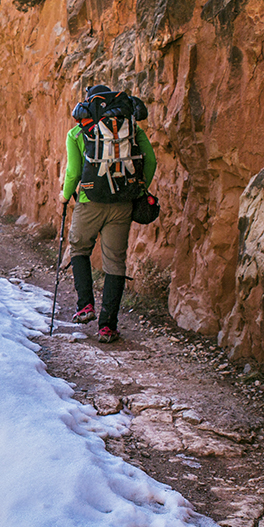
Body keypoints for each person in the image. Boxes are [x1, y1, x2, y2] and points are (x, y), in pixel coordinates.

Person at [59, 84, 157, 343]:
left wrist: (64, 195)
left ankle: (85, 306)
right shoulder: (131, 129)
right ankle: (107, 327)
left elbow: (73, 172)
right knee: (115, 261)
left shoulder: (77, 132)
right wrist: (139, 189)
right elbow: (151, 160)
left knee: (79, 248)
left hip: (88, 201)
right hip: (122, 203)